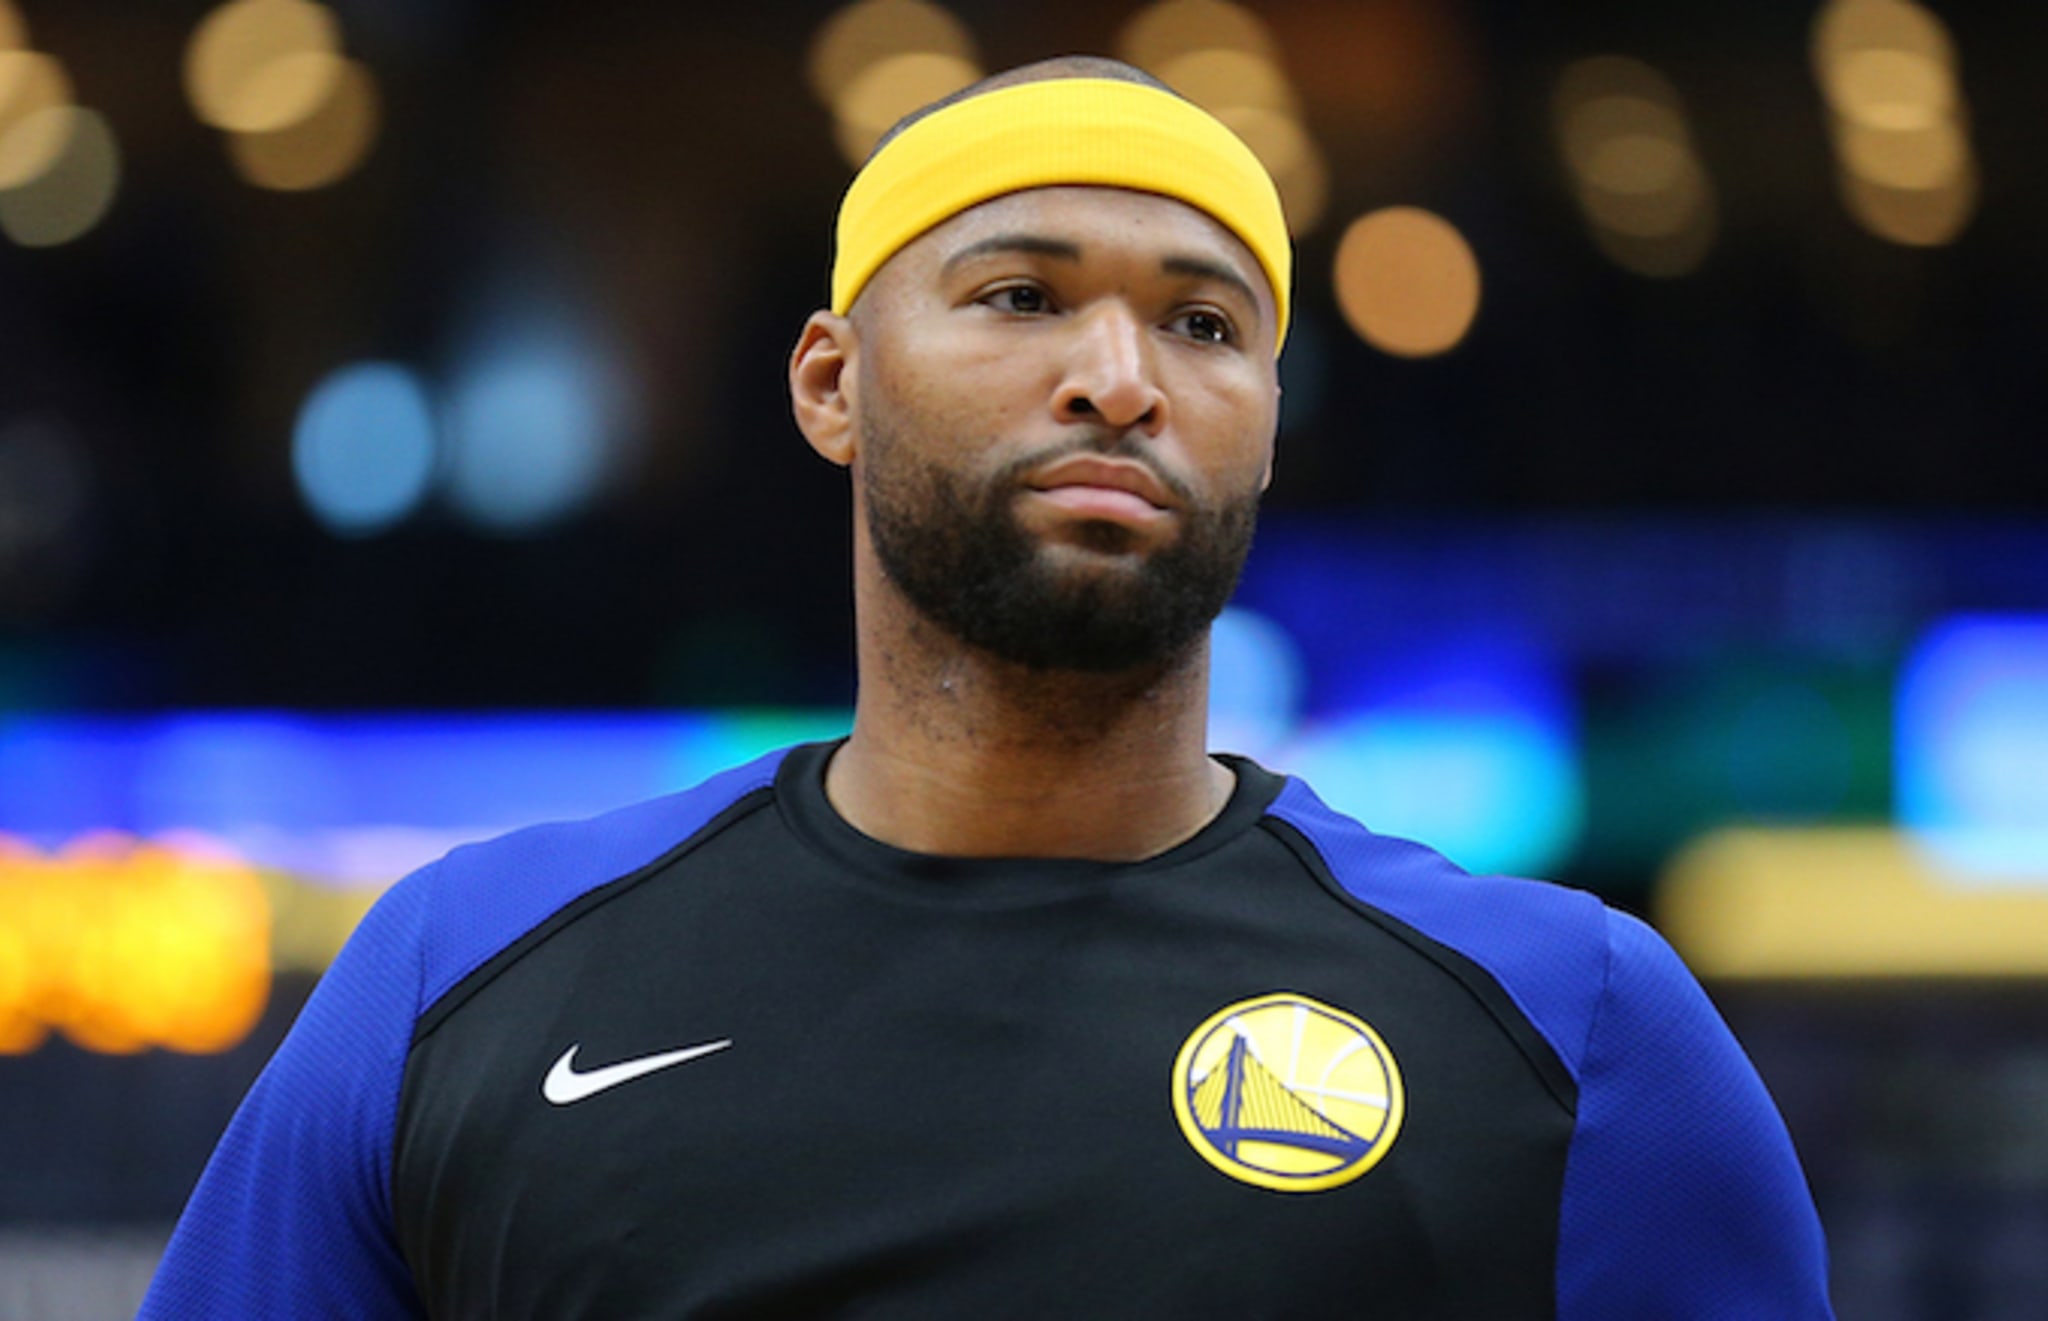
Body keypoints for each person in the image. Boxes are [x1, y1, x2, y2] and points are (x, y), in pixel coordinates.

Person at [142, 56, 1833, 1318]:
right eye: (1021, 296)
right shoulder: (459, 978)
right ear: (831, 384)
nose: (1119, 380)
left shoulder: (1577, 1030)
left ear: (1265, 424)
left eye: (1206, 326)